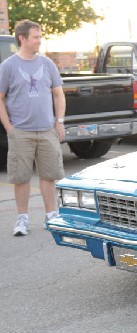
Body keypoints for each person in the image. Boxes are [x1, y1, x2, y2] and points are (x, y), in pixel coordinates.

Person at [0, 20, 65, 236]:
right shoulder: (8, 66)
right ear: (23, 38)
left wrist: (59, 121)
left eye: (40, 36)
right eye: (36, 37)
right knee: (21, 177)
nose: (39, 40)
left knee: (49, 175)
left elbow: (58, 93)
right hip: (21, 131)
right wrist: (10, 127)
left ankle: (52, 216)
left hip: (47, 130)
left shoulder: (47, 64)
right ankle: (22, 219)